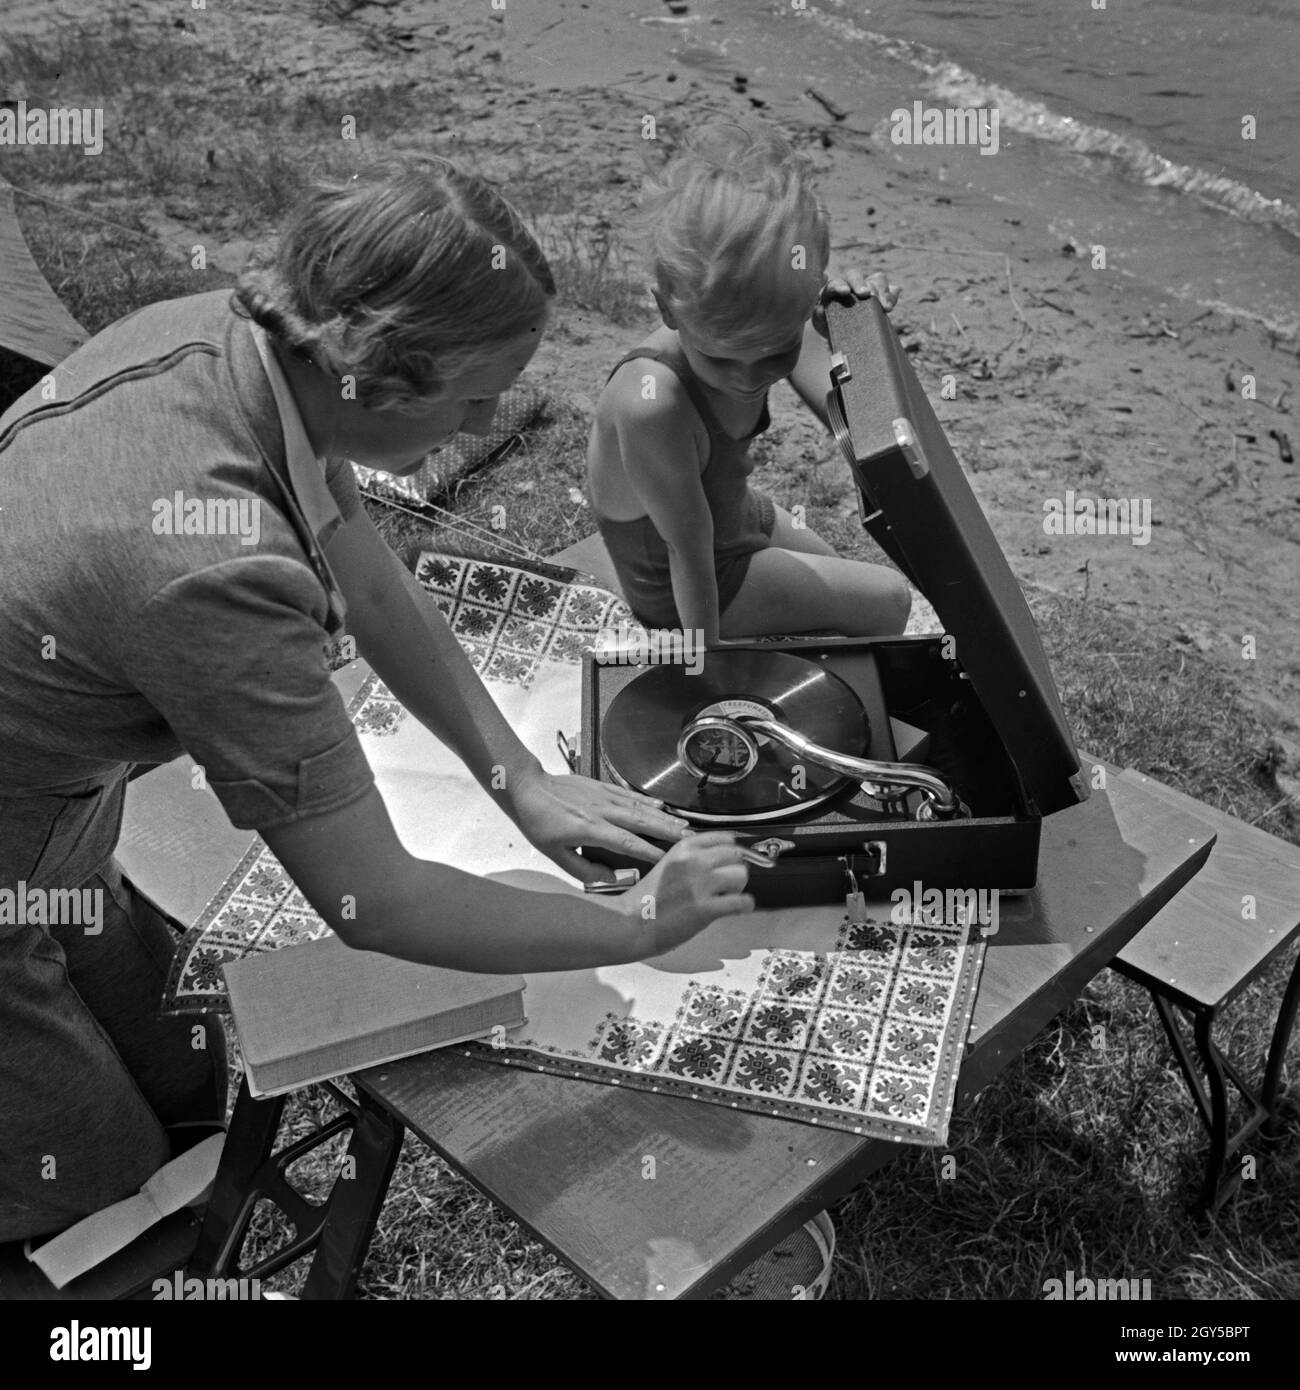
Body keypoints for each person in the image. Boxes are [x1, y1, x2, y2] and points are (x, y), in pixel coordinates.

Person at [0, 155, 755, 1244]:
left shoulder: (245, 342)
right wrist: (634, 925)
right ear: (380, 375)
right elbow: (374, 903)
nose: (490, 419)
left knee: (187, 1083)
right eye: (477, 396)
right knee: (100, 1204)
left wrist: (520, 778)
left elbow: (357, 555)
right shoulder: (212, 573)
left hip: (46, 823)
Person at [586, 121, 912, 647]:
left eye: (777, 353)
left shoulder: (757, 325)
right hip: (683, 581)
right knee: (889, 600)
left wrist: (852, 326)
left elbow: (854, 420)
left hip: (734, 516)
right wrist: (707, 660)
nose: (749, 378)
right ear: (668, 310)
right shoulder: (652, 404)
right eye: (721, 360)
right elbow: (686, 549)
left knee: (848, 593)